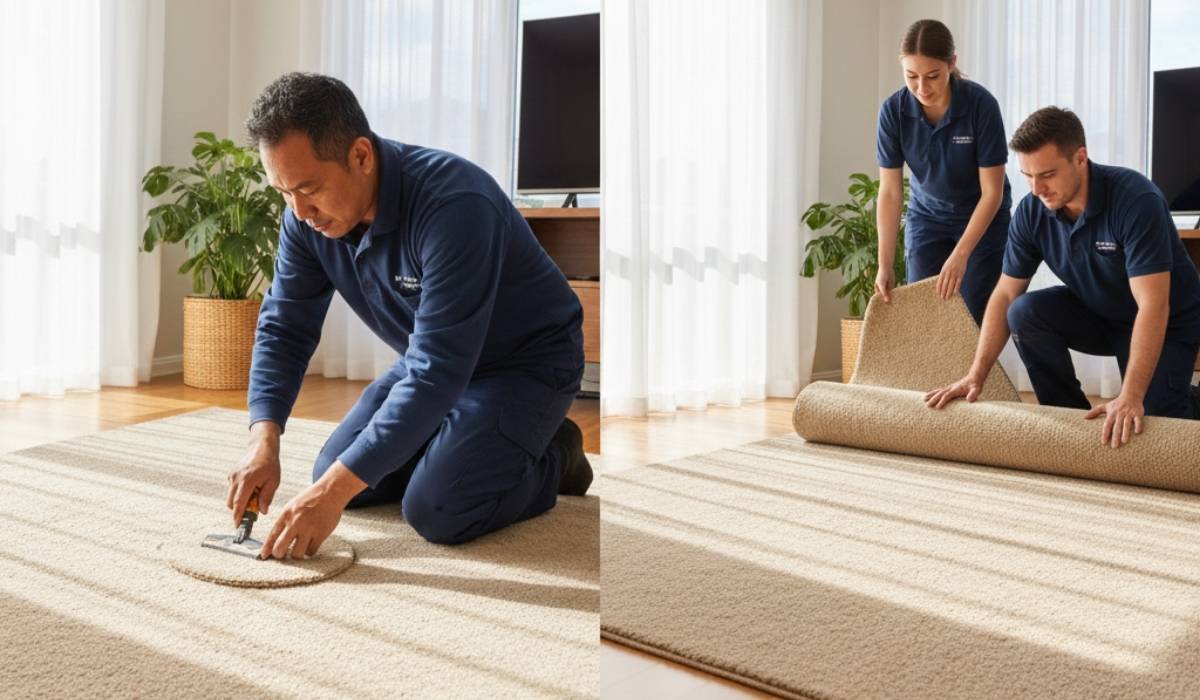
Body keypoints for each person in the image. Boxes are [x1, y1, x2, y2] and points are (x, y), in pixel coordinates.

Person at [225, 72, 593, 557]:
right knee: (335, 473)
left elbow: (438, 370)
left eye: (309, 188)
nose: (299, 211)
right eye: (283, 192)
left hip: (525, 364)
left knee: (438, 507)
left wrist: (333, 495)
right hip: (434, 357)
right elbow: (284, 327)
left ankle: (556, 453)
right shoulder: (304, 219)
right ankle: (470, 437)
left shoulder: (456, 205)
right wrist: (264, 440)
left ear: (360, 155)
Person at [925, 106, 1200, 448]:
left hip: (1166, 323)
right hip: (1100, 315)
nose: (1037, 188)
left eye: (1048, 174)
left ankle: (1185, 399)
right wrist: (975, 375)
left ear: (1080, 158)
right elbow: (1005, 295)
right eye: (1028, 175)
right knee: (1023, 311)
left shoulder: (1135, 200)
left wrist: (1130, 395)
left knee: (1158, 428)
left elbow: (1153, 304)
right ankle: (1068, 422)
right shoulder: (1032, 211)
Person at [874, 19, 1012, 324]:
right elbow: (890, 192)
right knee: (926, 316)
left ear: (952, 64)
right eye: (911, 76)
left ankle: (976, 374)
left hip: (983, 218)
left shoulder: (981, 106)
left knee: (974, 316)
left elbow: (993, 192)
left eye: (933, 76)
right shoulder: (893, 113)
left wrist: (961, 254)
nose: (922, 88)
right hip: (927, 219)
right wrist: (884, 264)